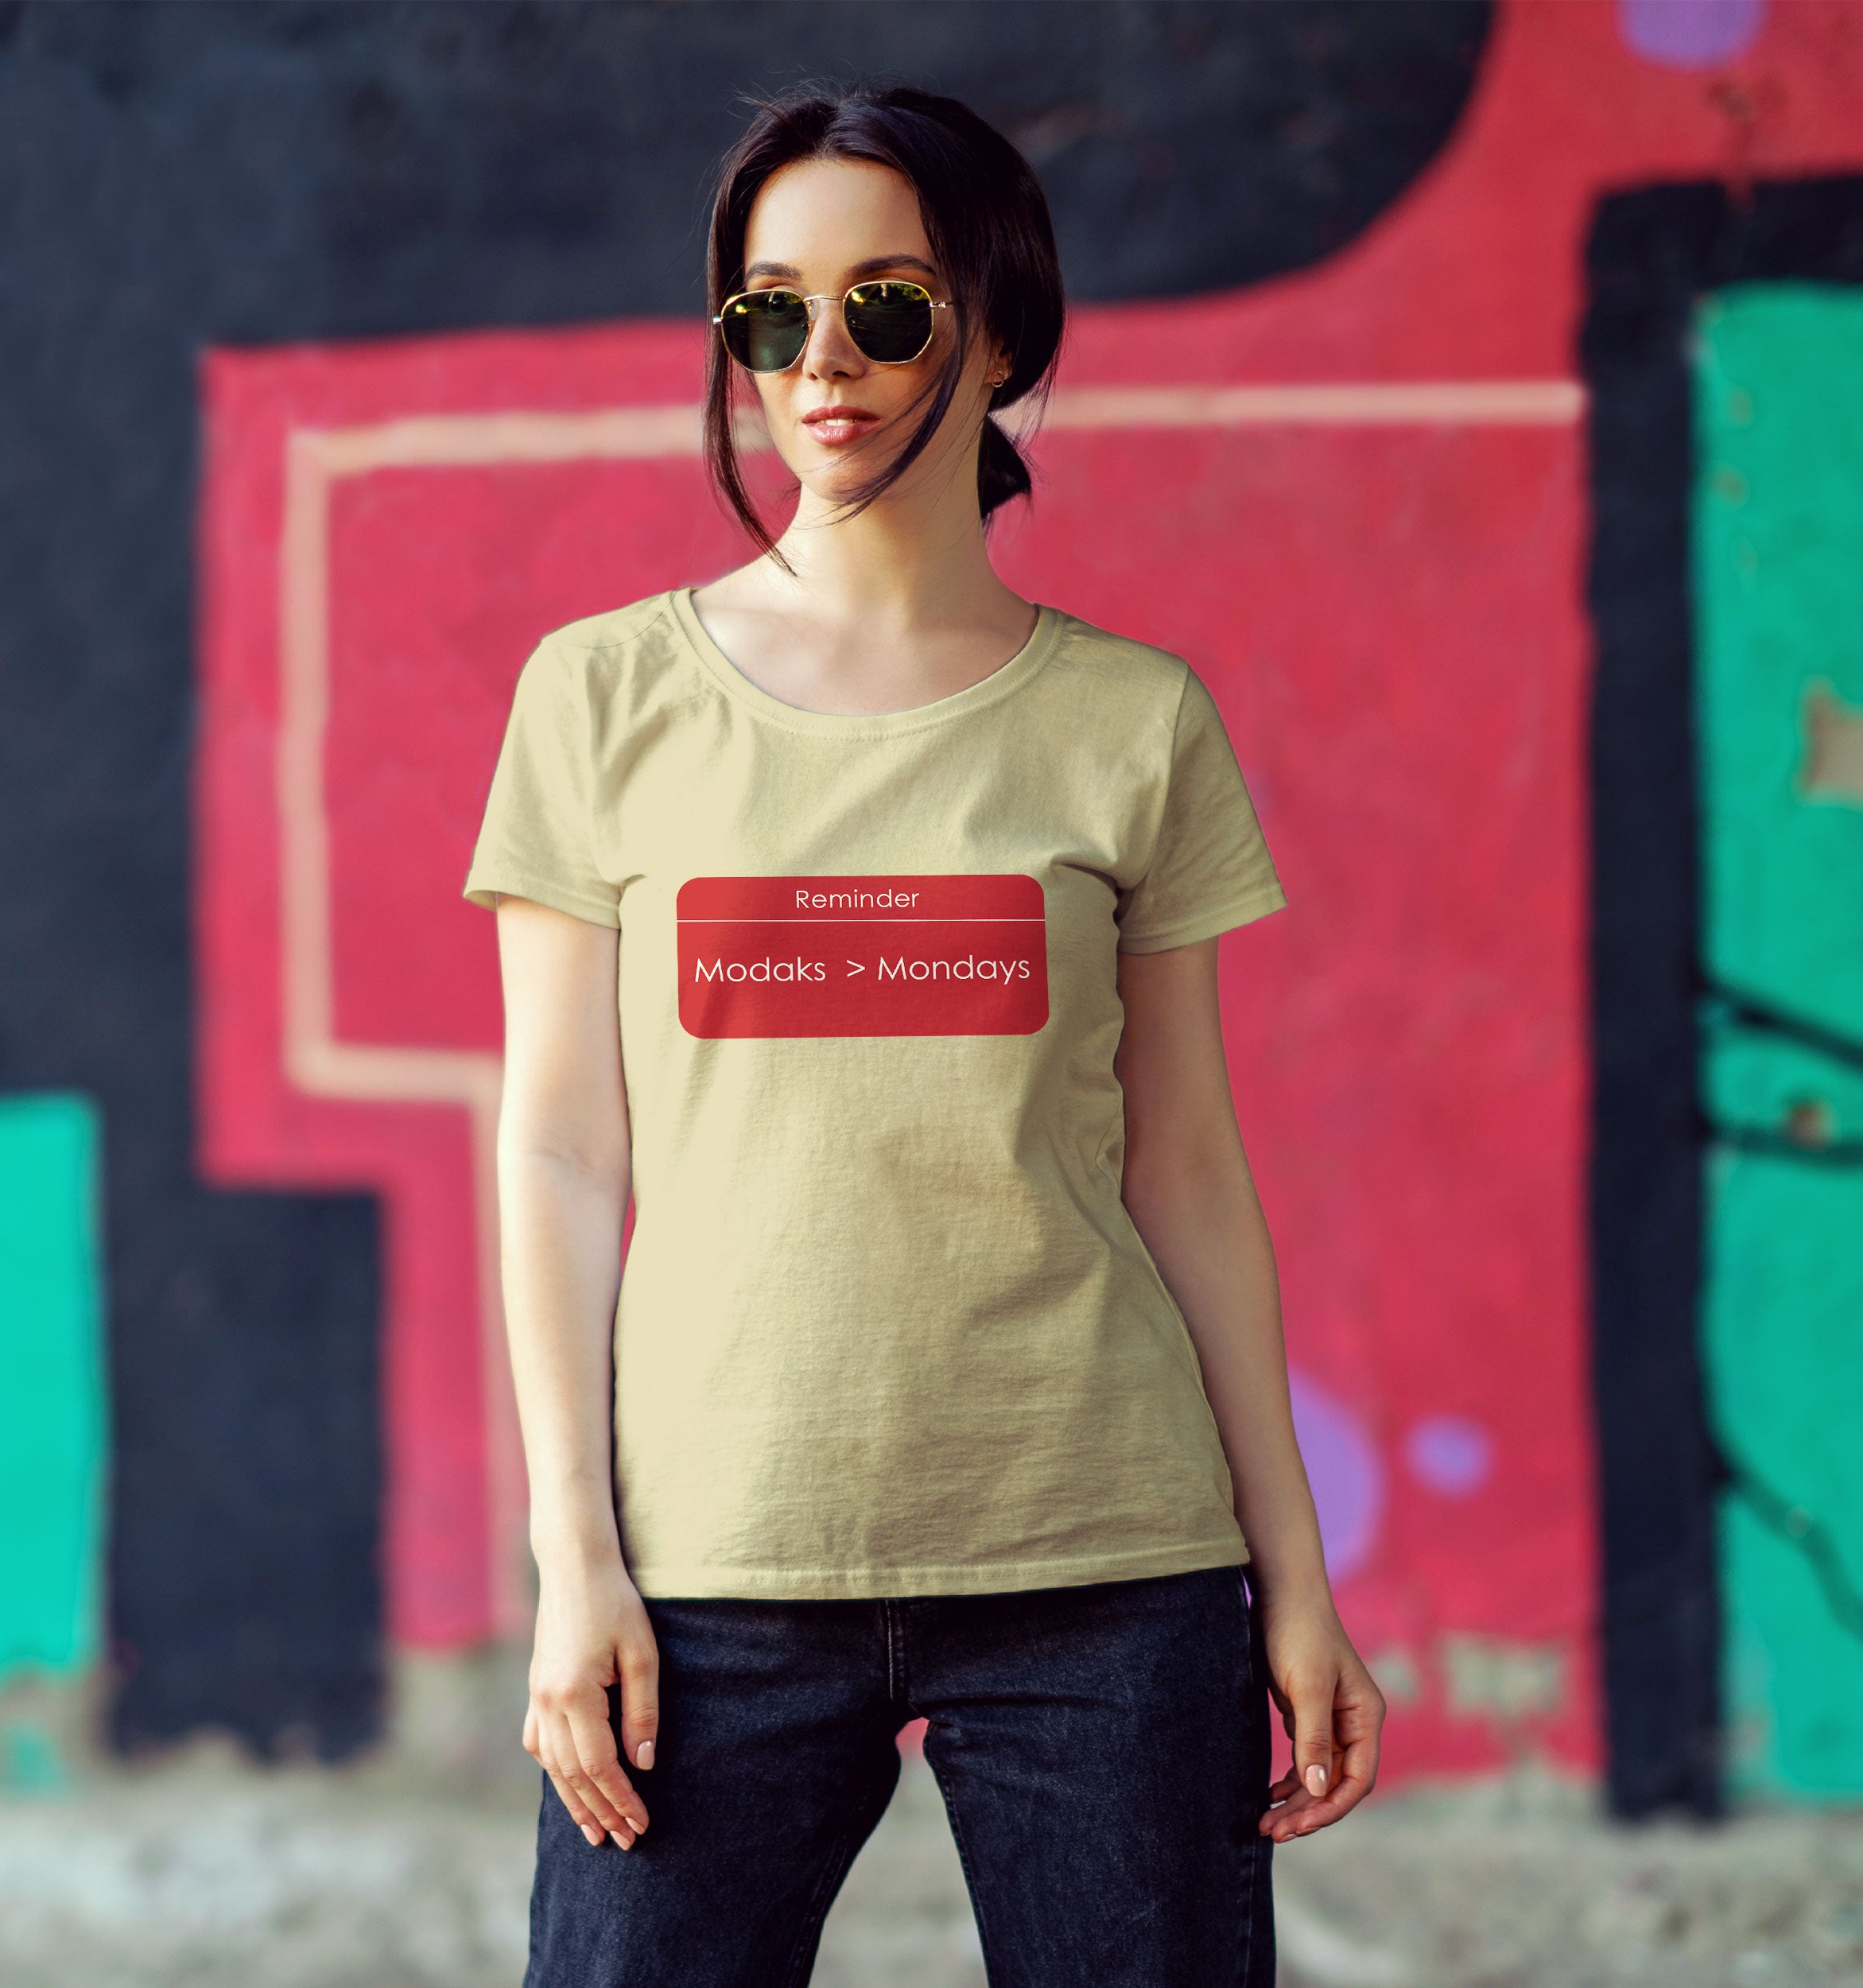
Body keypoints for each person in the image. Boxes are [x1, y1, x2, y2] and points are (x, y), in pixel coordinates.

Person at [464, 80, 1384, 1988]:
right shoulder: (601, 695)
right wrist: (575, 1557)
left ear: (999, 323)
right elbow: (557, 1148)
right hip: (711, 1571)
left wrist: (1291, 1575)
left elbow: (1188, 1165)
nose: (823, 363)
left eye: (886, 304)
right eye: (766, 313)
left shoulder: (1132, 723)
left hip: (1104, 1569)